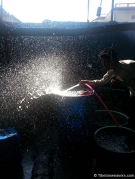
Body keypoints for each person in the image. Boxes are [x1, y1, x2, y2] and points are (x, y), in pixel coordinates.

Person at [79, 48, 135, 129]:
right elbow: (102, 81)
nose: (104, 64)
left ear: (114, 60)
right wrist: (86, 81)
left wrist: (122, 83)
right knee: (132, 115)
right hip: (133, 93)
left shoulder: (129, 66)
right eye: (103, 62)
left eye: (106, 62)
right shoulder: (112, 70)